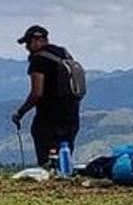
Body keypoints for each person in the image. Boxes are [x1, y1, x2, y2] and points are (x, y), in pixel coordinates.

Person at [11, 25, 81, 166]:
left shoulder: (38, 60)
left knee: (47, 159)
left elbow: (37, 93)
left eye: (28, 43)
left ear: (36, 41)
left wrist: (20, 112)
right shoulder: (63, 53)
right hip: (71, 114)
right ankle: (64, 177)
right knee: (64, 154)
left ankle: (48, 174)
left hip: (49, 118)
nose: (27, 48)